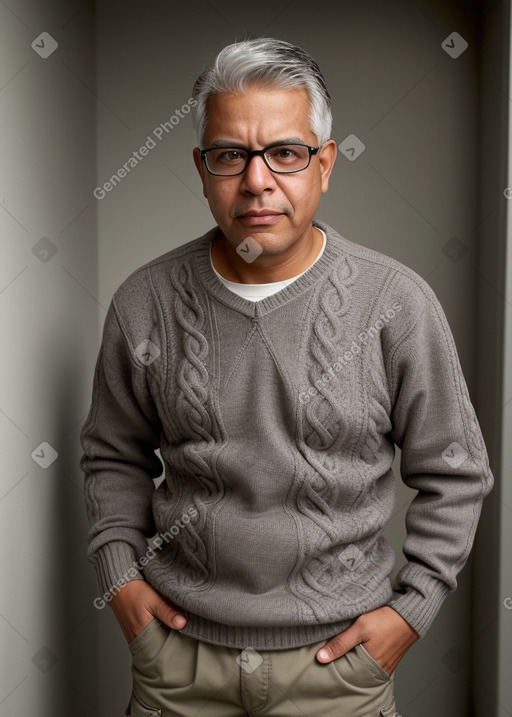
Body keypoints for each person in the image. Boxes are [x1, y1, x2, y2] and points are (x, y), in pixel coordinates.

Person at [79, 37, 494, 717]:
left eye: (286, 153)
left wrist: (411, 611)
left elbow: (456, 470)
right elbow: (110, 455)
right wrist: (121, 580)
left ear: (325, 164)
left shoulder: (397, 302)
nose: (257, 180)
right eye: (230, 155)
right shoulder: (142, 302)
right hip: (178, 666)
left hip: (339, 672)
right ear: (202, 167)